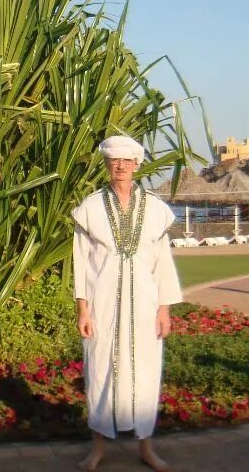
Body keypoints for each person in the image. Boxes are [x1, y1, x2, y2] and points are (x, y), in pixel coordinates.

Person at [72, 135, 183, 472]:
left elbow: (162, 262)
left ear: (137, 164)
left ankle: (146, 448)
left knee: (147, 372)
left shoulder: (154, 209)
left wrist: (164, 308)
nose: (119, 166)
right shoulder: (90, 208)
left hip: (145, 305)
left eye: (126, 161)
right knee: (100, 370)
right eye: (113, 161)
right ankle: (98, 449)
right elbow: (81, 261)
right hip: (103, 304)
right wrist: (83, 309)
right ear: (106, 164)